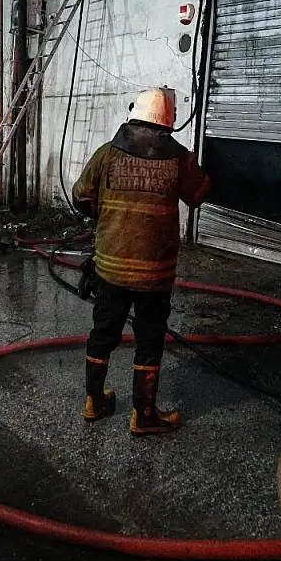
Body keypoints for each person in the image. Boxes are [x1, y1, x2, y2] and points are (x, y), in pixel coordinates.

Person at [72, 86, 210, 435]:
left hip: (110, 270)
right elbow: (199, 194)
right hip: (154, 275)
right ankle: (144, 416)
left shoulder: (107, 154)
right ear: (167, 122)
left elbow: (81, 196)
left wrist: (109, 219)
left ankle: (94, 402)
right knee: (149, 340)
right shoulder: (179, 159)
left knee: (103, 334)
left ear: (134, 116)